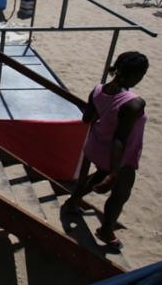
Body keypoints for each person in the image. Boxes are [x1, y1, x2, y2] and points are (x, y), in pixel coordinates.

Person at [62, 51, 149, 249]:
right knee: (120, 193)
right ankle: (106, 231)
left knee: (96, 176)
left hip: (95, 145)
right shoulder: (134, 103)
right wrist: (114, 171)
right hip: (119, 157)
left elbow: (87, 118)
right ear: (136, 75)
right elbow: (120, 138)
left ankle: (73, 201)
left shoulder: (98, 89)